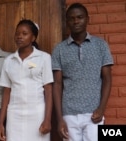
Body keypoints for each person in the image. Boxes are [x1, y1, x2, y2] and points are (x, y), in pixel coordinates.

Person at [51, 3, 114, 141]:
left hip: (94, 114)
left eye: (80, 17)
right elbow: (57, 84)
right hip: (69, 114)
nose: (76, 21)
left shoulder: (101, 45)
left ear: (87, 19)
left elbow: (107, 79)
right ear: (67, 22)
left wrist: (102, 108)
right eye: (71, 18)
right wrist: (60, 118)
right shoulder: (59, 49)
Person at [0, 19, 53, 141]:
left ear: (33, 38)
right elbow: (6, 93)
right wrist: (1, 123)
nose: (19, 37)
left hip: (37, 114)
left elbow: (48, 91)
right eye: (17, 33)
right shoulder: (9, 61)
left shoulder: (44, 58)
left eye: (24, 33)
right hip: (14, 115)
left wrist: (47, 119)